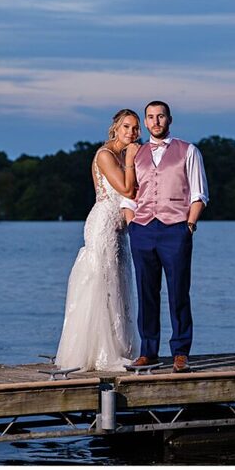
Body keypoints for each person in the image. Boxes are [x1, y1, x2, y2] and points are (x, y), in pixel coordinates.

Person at [122, 100, 209, 372]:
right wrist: (132, 224)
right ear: (146, 123)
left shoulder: (188, 151)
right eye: (150, 117)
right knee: (146, 293)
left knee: (178, 292)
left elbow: (199, 194)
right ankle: (148, 351)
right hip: (142, 229)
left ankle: (180, 352)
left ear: (169, 119)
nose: (156, 121)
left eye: (160, 116)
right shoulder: (136, 154)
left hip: (176, 230)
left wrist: (189, 226)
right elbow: (129, 195)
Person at [55, 109, 141, 371]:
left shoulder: (124, 154)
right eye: (126, 126)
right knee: (102, 282)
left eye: (136, 128)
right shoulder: (105, 155)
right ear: (115, 128)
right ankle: (98, 353)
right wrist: (131, 159)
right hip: (103, 224)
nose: (132, 132)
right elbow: (126, 189)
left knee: (120, 284)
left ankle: (121, 347)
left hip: (120, 228)